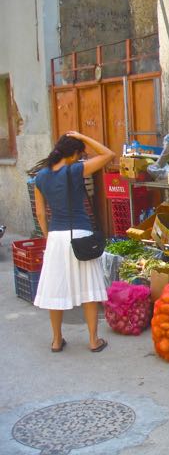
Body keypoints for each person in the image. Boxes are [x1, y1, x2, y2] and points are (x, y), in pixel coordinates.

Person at [31, 131, 115, 352]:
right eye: (79, 154)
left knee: (55, 288)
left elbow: (40, 213)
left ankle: (57, 340)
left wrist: (48, 236)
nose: (80, 159)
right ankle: (93, 340)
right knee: (88, 288)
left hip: (56, 237)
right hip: (80, 235)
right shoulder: (76, 170)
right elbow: (108, 154)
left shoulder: (40, 176)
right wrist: (83, 136)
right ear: (72, 154)